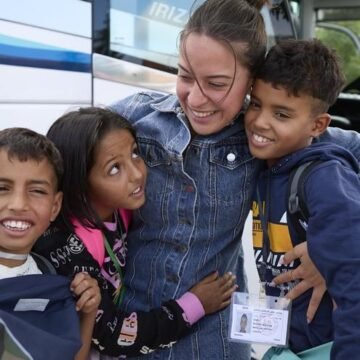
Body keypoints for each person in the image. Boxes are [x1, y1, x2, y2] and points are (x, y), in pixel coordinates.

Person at [109, 0, 360, 359]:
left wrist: (329, 254)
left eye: (217, 83)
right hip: (131, 335)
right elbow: (60, 159)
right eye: (184, 75)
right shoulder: (135, 117)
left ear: (250, 80)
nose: (195, 98)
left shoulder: (270, 137)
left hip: (213, 343)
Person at [33, 106, 237, 358]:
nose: (138, 173)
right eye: (114, 169)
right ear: (80, 181)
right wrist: (195, 305)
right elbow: (112, 334)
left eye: (135, 153)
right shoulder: (68, 247)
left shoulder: (120, 210)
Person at [246, 38, 360, 359]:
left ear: (317, 124)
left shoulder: (324, 178)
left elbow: (355, 279)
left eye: (281, 114)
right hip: (281, 344)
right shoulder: (260, 164)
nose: (260, 121)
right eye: (255, 104)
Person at [0, 127, 101, 360]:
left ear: (55, 207)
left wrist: (88, 313)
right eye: (2, 188)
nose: (18, 204)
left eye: (36, 191)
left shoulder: (48, 277)